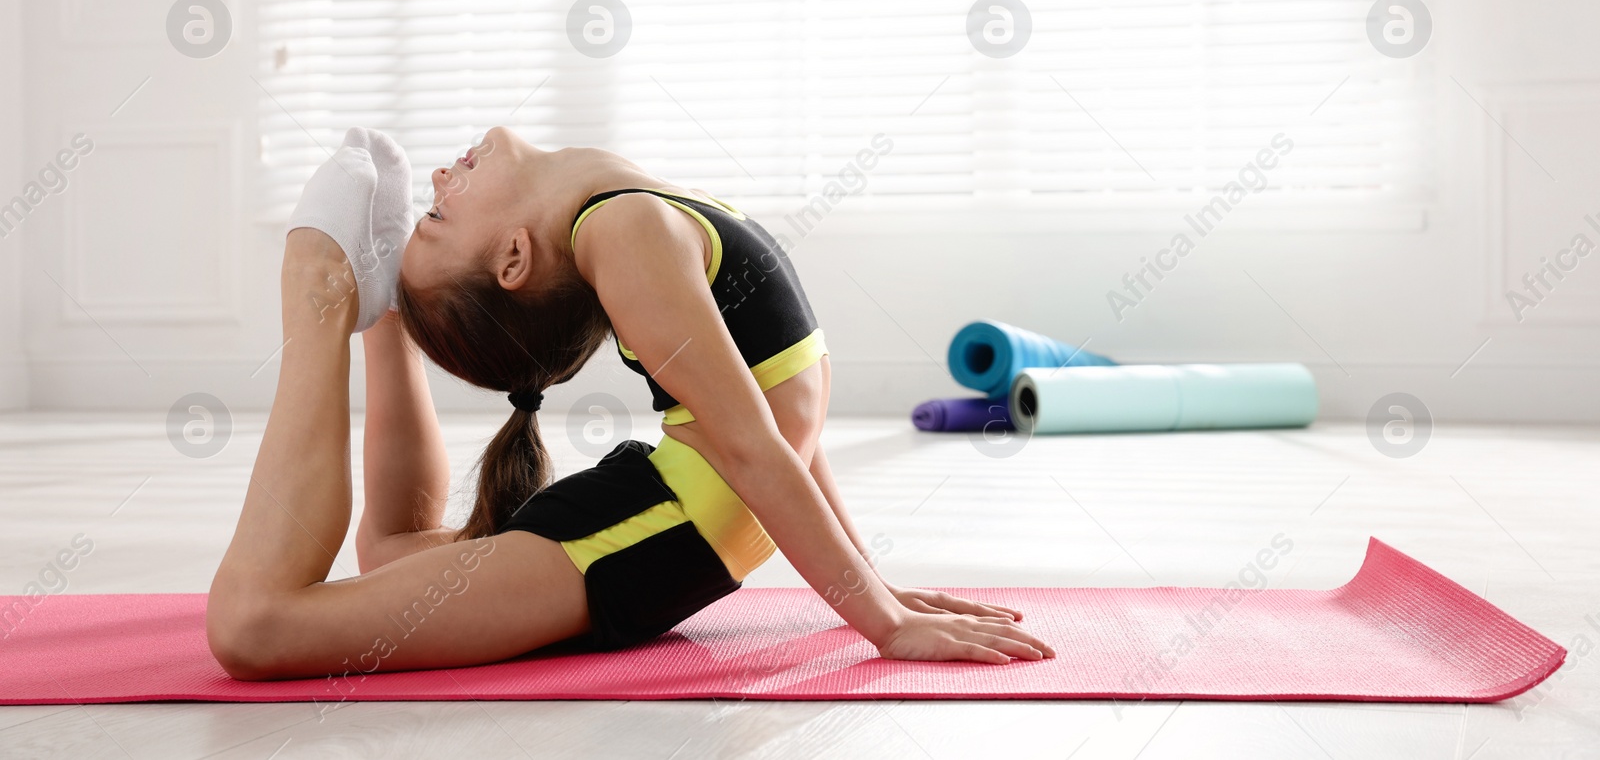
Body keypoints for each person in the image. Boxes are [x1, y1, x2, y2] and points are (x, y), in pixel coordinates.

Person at [206, 127, 1054, 680]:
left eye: (429, 210)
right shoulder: (625, 230)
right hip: (633, 538)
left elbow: (783, 430)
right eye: (434, 214)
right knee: (262, 624)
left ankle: (377, 297)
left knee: (330, 588)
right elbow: (760, 443)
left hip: (640, 534)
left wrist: (880, 592)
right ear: (512, 257)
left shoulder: (634, 221)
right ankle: (333, 293)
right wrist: (881, 617)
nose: (439, 174)